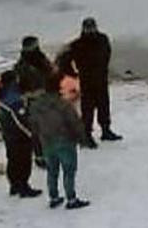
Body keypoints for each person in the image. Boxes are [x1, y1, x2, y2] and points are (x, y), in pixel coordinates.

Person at [28, 74, 91, 210]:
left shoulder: (35, 106)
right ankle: (71, 199)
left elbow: (33, 125)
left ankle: (54, 197)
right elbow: (75, 123)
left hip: (46, 141)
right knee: (68, 170)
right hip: (65, 141)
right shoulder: (63, 105)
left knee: (52, 171)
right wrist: (82, 139)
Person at [66, 17, 122, 146]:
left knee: (104, 105)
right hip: (86, 81)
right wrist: (74, 73)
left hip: (101, 78)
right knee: (87, 109)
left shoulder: (103, 39)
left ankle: (106, 130)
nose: (90, 30)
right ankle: (86, 135)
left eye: (92, 27)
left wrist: (103, 67)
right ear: (83, 29)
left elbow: (108, 53)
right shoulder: (77, 44)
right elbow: (66, 60)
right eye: (88, 28)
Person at [0, 70, 42, 198]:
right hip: (19, 136)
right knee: (24, 161)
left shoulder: (0, 96)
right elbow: (20, 119)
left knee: (12, 160)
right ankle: (24, 187)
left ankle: (14, 185)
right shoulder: (14, 99)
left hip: (8, 134)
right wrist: (30, 132)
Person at [15, 35, 55, 167]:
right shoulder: (22, 66)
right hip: (33, 100)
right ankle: (40, 157)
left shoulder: (41, 59)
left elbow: (50, 73)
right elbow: (19, 86)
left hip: (45, 96)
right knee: (37, 130)